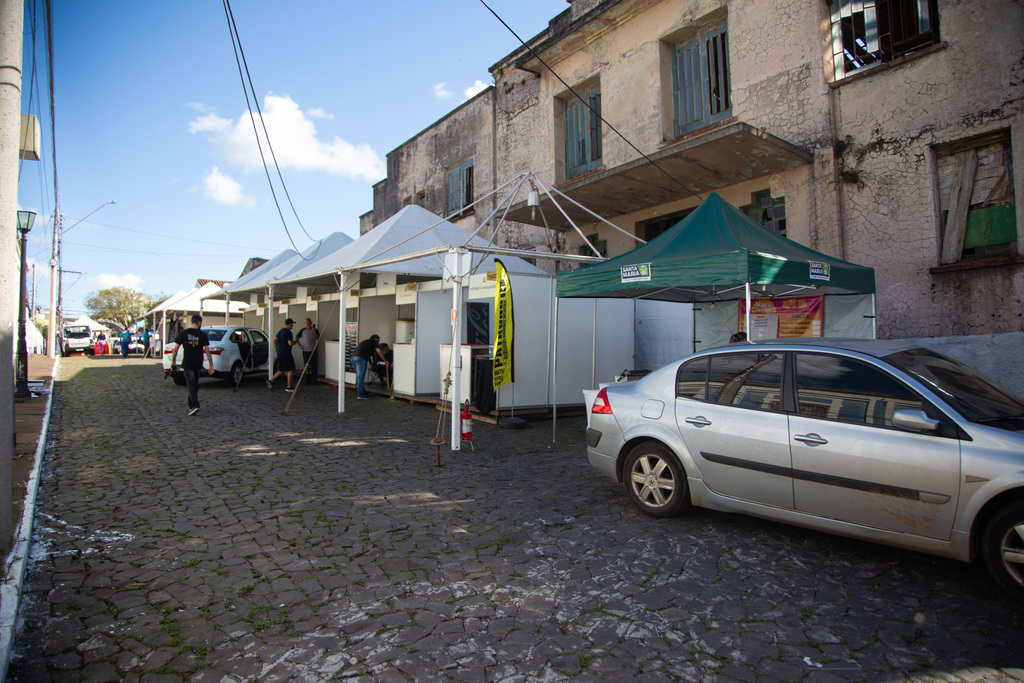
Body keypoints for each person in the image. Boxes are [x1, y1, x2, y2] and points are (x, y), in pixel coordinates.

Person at [169, 314, 215, 416]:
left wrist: (173, 361)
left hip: (187, 363)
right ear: (199, 323)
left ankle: (194, 405)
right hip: (198, 363)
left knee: (191, 384)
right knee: (194, 384)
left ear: (192, 322)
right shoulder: (202, 335)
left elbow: (175, 349)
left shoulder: (184, 333)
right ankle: (192, 405)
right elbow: (207, 350)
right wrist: (211, 365)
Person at [267, 318, 297, 393]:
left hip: (280, 353)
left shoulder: (280, 331)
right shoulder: (288, 332)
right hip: (286, 354)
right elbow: (290, 343)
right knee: (290, 369)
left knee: (281, 370)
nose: (292, 326)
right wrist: (295, 342)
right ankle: (289, 387)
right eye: (292, 324)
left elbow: (274, 340)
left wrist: (275, 350)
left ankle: (271, 381)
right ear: (289, 324)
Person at [352, 334, 383, 399]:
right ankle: (360, 394)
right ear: (375, 338)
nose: (378, 342)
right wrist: (385, 360)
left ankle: (362, 391)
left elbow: (368, 354)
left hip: (353, 358)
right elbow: (379, 351)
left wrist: (371, 363)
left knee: (358, 376)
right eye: (378, 340)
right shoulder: (373, 342)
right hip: (361, 359)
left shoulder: (366, 342)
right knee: (360, 376)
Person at [296, 318, 320, 385]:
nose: (308, 324)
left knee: (314, 366)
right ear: (305, 324)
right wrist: (300, 345)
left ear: (311, 323)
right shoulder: (303, 330)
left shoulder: (314, 330)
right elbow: (296, 338)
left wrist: (314, 331)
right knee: (306, 366)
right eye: (306, 323)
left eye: (309, 322)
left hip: (313, 350)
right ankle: (307, 379)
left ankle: (313, 379)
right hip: (306, 350)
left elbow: (318, 338)